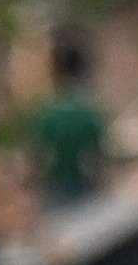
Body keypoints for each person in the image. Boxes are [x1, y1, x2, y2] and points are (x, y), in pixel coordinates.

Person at [25, 30, 109, 209]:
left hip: (56, 192)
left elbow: (37, 161)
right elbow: (99, 158)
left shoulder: (46, 114)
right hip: (86, 190)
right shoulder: (90, 113)